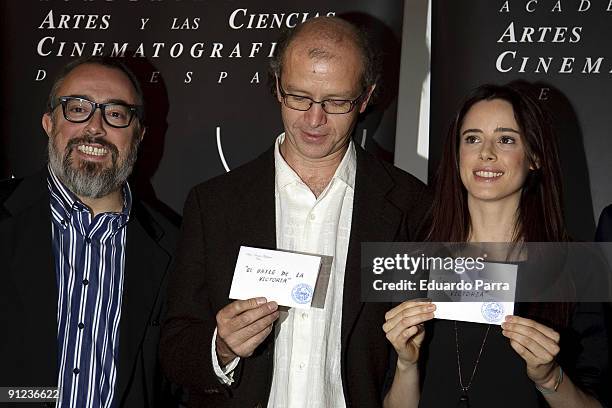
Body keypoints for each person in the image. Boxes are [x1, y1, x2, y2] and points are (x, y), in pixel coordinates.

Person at [159, 16, 430, 408]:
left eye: (336, 102)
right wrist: (221, 347)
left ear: (366, 98)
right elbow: (174, 348)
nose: (314, 118)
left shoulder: (410, 204)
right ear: (276, 88)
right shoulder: (213, 203)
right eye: (299, 97)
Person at [383, 84, 608, 407]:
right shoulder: (418, 264)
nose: (486, 153)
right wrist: (407, 363)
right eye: (472, 138)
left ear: (534, 156)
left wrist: (549, 378)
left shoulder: (579, 267)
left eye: (506, 139)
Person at [0, 57, 178, 407]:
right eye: (77, 108)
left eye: (115, 114)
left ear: (139, 134)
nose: (95, 128)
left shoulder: (175, 247)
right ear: (49, 123)